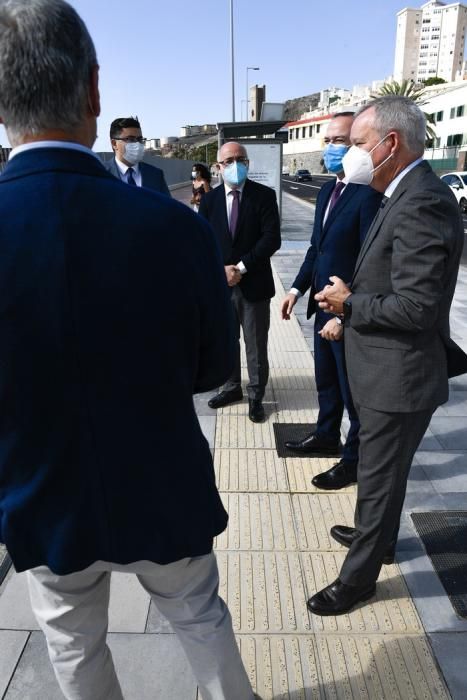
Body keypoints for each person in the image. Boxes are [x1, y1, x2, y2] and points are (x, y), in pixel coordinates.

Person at [0, 2, 256, 698]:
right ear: (92, 91)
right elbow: (210, 368)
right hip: (162, 485)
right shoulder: (173, 228)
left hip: (41, 495)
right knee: (200, 617)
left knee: (73, 644)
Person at [307, 96, 467, 617]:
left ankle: (357, 581)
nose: (348, 154)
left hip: (399, 377)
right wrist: (346, 311)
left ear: (389, 143)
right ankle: (375, 538)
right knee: (385, 474)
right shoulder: (398, 191)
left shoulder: (423, 201)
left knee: (378, 477)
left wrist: (350, 304)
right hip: (382, 365)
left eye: (356, 144)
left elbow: (417, 307)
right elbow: (386, 278)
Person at [281, 113, 382, 489]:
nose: (333, 148)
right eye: (329, 141)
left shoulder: (368, 194)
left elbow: (370, 262)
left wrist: (344, 315)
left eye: (343, 140)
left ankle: (352, 461)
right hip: (321, 308)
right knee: (326, 382)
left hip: (345, 315)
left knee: (351, 393)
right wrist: (295, 290)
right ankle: (325, 435)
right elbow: (316, 249)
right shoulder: (327, 190)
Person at [199, 142, 281, 423]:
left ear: (248, 162)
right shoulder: (209, 201)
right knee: (226, 340)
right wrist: (220, 271)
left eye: (240, 159)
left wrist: (241, 267)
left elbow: (272, 239)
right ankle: (231, 388)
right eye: (228, 161)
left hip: (254, 284)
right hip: (221, 286)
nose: (235, 165)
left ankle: (256, 395)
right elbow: (203, 241)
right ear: (218, 167)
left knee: (255, 344)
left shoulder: (264, 196)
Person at [105, 116, 171, 196]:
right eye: (130, 139)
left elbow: (167, 207)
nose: (137, 144)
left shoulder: (155, 174)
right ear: (114, 144)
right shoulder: (100, 174)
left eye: (140, 139)